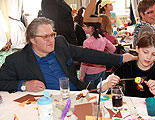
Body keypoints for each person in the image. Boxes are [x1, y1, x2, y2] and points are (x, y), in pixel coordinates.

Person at [0, 17, 137, 93]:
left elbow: (87, 54)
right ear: (32, 40)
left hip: (77, 95)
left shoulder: (60, 44)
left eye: (52, 35)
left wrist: (120, 58)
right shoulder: (16, 60)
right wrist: (23, 85)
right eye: (45, 37)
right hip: (46, 104)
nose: (51, 40)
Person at [98, 32, 155, 98]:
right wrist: (107, 84)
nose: (149, 57)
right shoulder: (127, 66)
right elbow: (99, 89)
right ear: (137, 49)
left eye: (154, 54)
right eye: (145, 52)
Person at [80, 15, 116, 88]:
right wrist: (104, 56)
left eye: (84, 26)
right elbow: (113, 49)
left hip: (90, 73)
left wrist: (82, 75)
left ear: (90, 28)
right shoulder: (102, 38)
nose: (82, 28)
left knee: (89, 93)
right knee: (100, 91)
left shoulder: (87, 42)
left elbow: (84, 61)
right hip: (102, 70)